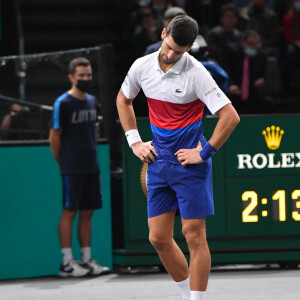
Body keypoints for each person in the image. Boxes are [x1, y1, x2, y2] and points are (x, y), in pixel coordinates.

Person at [116, 15, 239, 300]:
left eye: (179, 51)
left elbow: (230, 116)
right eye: (169, 46)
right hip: (159, 162)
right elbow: (124, 99)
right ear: (162, 34)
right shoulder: (141, 66)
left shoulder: (197, 72)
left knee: (194, 237)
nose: (171, 54)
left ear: (190, 48)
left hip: (188, 165)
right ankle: (186, 295)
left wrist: (204, 152)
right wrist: (134, 142)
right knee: (158, 238)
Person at [49, 57, 109, 277]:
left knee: (88, 211)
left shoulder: (93, 102)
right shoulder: (62, 103)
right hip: (71, 166)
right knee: (70, 211)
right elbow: (54, 137)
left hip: (91, 165)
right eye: (81, 75)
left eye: (88, 75)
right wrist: (62, 161)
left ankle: (86, 260)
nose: (86, 79)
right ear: (71, 77)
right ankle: (67, 263)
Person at [222, 29, 267, 114]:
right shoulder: (231, 52)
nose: (253, 47)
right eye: (251, 44)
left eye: (256, 44)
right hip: (234, 90)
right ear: (243, 43)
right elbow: (226, 71)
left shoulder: (261, 56)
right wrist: (231, 84)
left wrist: (262, 80)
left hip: (252, 92)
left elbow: (264, 74)